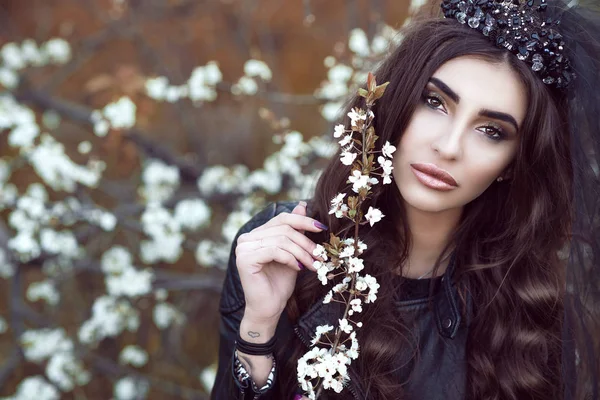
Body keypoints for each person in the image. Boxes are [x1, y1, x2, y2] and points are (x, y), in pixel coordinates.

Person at [211, 0, 600, 398]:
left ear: (512, 164)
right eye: (435, 103)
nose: (448, 147)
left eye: (491, 131)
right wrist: (258, 328)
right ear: (397, 101)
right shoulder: (283, 250)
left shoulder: (530, 308)